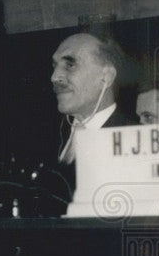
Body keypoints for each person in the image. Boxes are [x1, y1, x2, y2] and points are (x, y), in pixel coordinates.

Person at [51, 32, 137, 164]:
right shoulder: (44, 135)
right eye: (55, 66)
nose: (54, 77)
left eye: (70, 65)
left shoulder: (134, 142)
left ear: (106, 77)